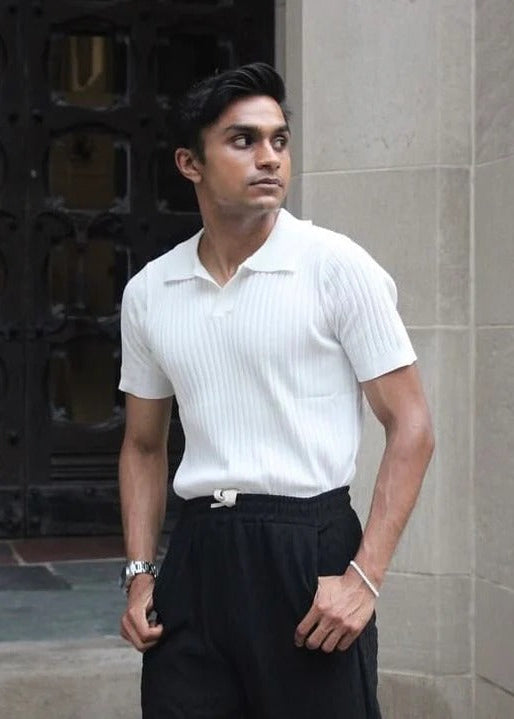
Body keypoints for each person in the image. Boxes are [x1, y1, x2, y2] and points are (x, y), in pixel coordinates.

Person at [118, 62, 434, 718]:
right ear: (190, 163)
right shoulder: (150, 291)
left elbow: (412, 426)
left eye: (280, 140)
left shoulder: (336, 267)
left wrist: (364, 578)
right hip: (198, 557)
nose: (270, 158)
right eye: (244, 140)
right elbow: (144, 446)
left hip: (307, 551)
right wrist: (139, 574)